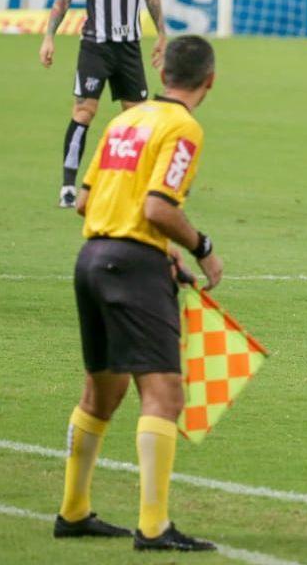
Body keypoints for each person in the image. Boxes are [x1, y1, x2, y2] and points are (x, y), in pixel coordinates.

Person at [57, 35, 221, 551]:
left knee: (102, 394)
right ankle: (153, 526)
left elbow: (85, 201)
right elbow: (157, 207)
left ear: (163, 74)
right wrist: (201, 248)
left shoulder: (124, 121)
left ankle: (73, 511)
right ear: (209, 81)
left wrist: (160, 249)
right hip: (131, 268)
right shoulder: (183, 127)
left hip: (91, 259)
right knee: (164, 394)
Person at [41, 0, 167, 208]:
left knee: (137, 118)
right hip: (95, 46)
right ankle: (68, 186)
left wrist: (162, 34)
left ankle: (140, 183)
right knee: (84, 111)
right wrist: (49, 36)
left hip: (130, 47)